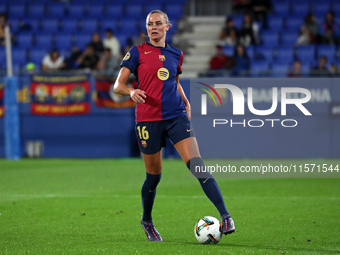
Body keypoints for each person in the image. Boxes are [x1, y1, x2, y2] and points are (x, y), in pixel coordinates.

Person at [113, 10, 235, 242]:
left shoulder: (176, 54)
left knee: (197, 166)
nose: (154, 27)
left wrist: (186, 101)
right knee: (154, 177)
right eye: (150, 24)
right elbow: (117, 85)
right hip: (148, 119)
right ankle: (147, 221)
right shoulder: (137, 52)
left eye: (158, 23)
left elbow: (173, 82)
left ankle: (226, 215)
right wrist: (131, 90)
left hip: (175, 116)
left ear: (168, 27)